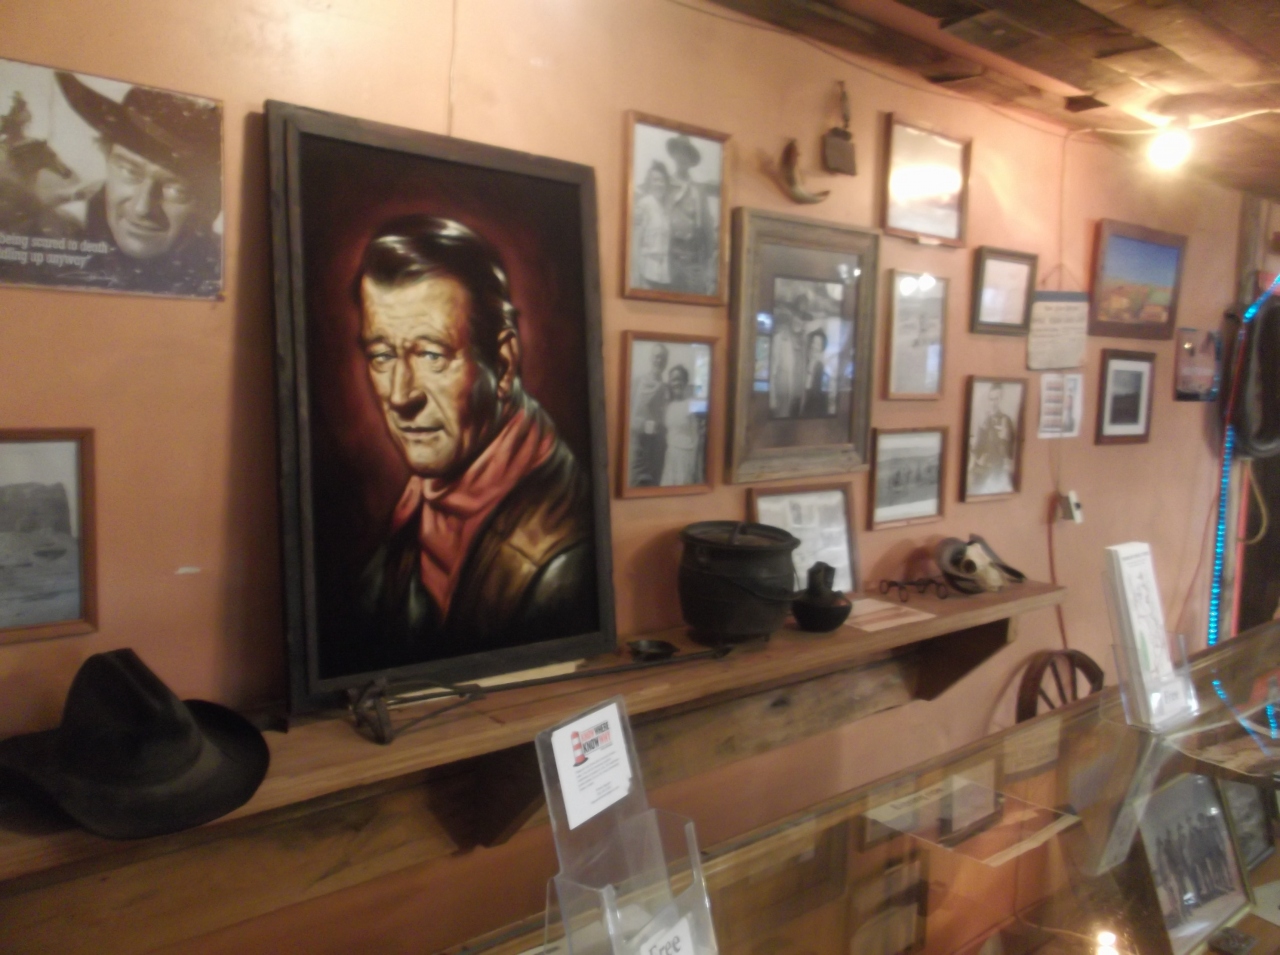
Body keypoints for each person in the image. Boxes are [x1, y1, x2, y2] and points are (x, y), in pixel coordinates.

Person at [344, 215, 597, 672]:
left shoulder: (559, 563)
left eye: (431, 355)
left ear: (503, 365)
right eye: (381, 355)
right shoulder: (416, 512)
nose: (400, 395)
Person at [52, 72, 222, 296]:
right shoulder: (56, 237)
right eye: (129, 171)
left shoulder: (219, 271)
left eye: (175, 189)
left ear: (207, 201)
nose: (142, 208)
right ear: (107, 159)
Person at [665, 134, 716, 295]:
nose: (682, 158)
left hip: (692, 259)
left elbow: (708, 227)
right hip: (667, 258)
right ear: (674, 155)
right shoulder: (665, 185)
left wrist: (708, 265)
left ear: (691, 160)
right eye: (679, 152)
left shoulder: (698, 190)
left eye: (687, 154)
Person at [629, 342, 670, 486]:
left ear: (666, 361)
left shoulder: (666, 388)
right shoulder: (637, 383)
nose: (659, 360)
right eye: (657, 356)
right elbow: (626, 417)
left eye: (663, 358)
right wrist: (645, 425)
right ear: (651, 358)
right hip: (639, 447)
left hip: (657, 450)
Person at [968, 383, 1016, 494]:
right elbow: (975, 448)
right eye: (991, 399)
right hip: (980, 469)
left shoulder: (1006, 421)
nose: (993, 403)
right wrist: (980, 430)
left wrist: (1005, 438)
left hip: (996, 472)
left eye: (996, 399)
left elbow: (1011, 454)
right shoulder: (983, 420)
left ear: (1001, 400)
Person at [631, 161, 671, 289]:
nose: (659, 184)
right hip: (646, 270)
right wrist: (636, 272)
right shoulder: (644, 205)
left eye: (662, 180)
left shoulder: (665, 209)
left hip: (662, 273)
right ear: (648, 183)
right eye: (655, 180)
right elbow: (635, 242)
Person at [660, 365, 702, 486]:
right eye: (673, 380)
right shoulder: (669, 406)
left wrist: (695, 466)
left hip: (686, 456)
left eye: (680, 379)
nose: (676, 383)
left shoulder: (693, 404)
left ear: (685, 382)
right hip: (671, 456)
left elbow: (698, 436)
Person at [799, 329, 831, 417]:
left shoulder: (821, 366)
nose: (814, 346)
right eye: (813, 342)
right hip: (806, 404)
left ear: (822, 347)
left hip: (815, 408)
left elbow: (818, 393)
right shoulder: (808, 361)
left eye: (818, 344)